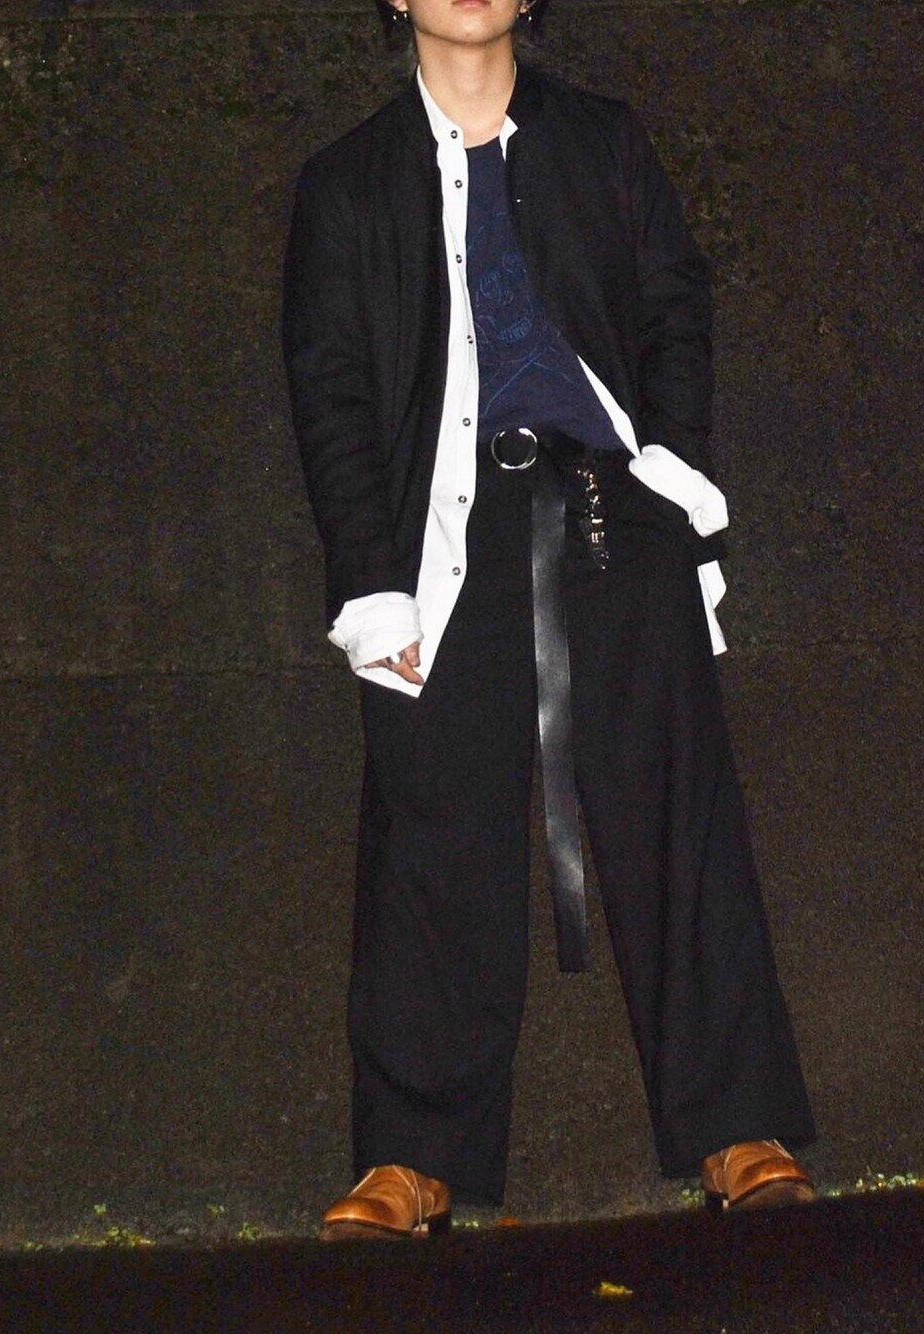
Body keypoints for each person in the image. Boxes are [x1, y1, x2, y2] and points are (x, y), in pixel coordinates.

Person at [282, 0, 816, 1240]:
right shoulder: (346, 183)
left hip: (608, 508)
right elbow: (331, 390)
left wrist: (671, 468)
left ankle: (737, 1120)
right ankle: (412, 1151)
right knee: (430, 825)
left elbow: (674, 303)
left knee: (675, 804)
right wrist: (371, 580)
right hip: (440, 534)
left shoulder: (603, 142)